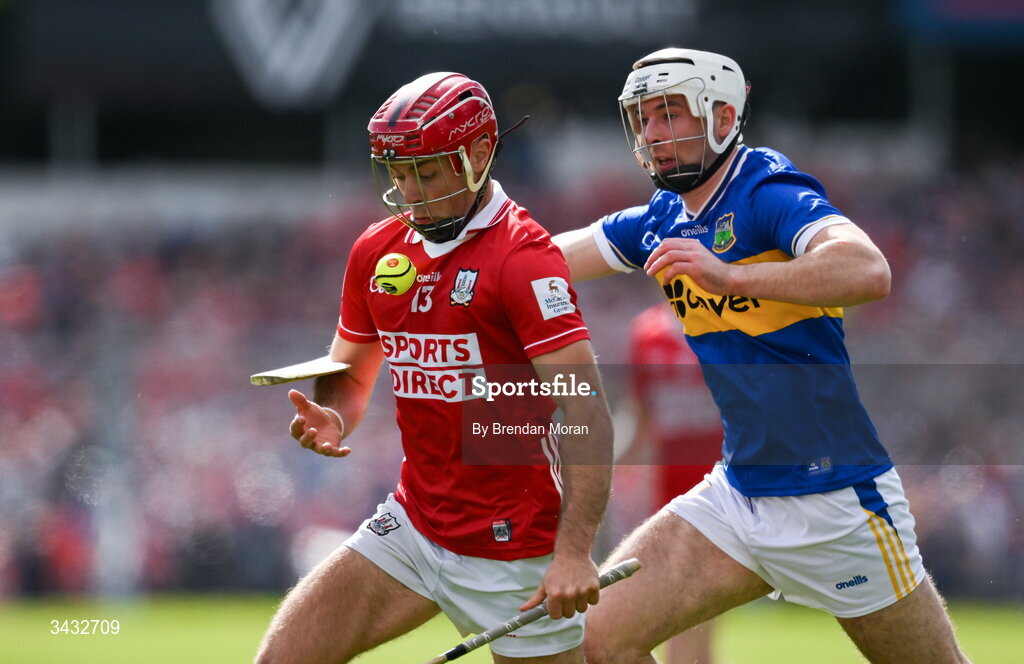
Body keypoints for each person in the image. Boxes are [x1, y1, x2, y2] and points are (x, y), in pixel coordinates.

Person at [554, 48, 972, 664]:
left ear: (722, 117)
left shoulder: (768, 188)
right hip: (738, 497)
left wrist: (734, 278)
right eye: (642, 118)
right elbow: (544, 259)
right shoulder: (662, 217)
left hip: (838, 502)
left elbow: (868, 268)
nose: (651, 134)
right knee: (601, 639)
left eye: (669, 114)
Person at [254, 72, 613, 664]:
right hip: (415, 525)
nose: (410, 191)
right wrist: (335, 417)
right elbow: (351, 371)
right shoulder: (377, 250)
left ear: (477, 155)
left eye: (426, 173)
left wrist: (574, 551)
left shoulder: (524, 258)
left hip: (516, 547)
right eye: (398, 174)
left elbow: (587, 411)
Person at [621, 304, 722, 664]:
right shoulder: (645, 331)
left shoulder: (727, 320)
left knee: (695, 604)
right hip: (668, 491)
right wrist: (612, 465)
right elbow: (643, 415)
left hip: (721, 485)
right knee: (687, 606)